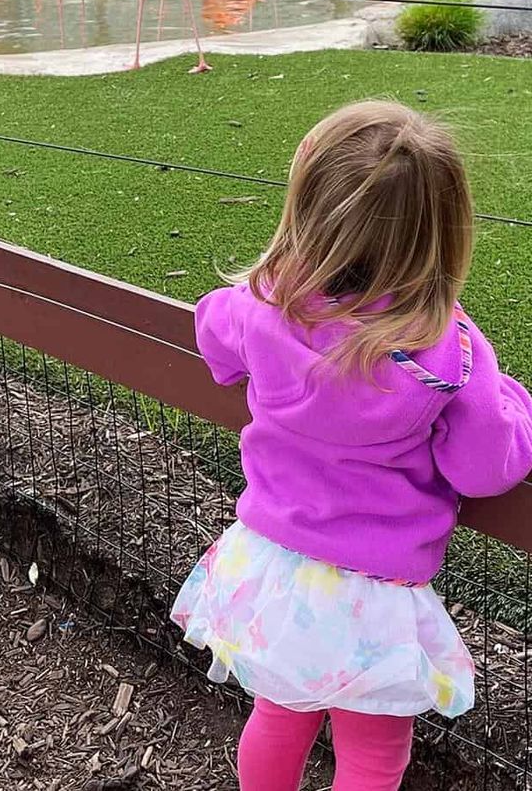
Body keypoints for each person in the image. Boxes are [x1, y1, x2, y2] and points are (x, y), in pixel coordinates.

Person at [172, 101, 532, 791]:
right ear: (441, 230)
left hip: (277, 570)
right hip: (374, 593)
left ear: (309, 211)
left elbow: (213, 332)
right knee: (370, 749)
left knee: (279, 714)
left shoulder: (268, 304)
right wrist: (515, 402)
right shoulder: (446, 348)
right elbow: (485, 465)